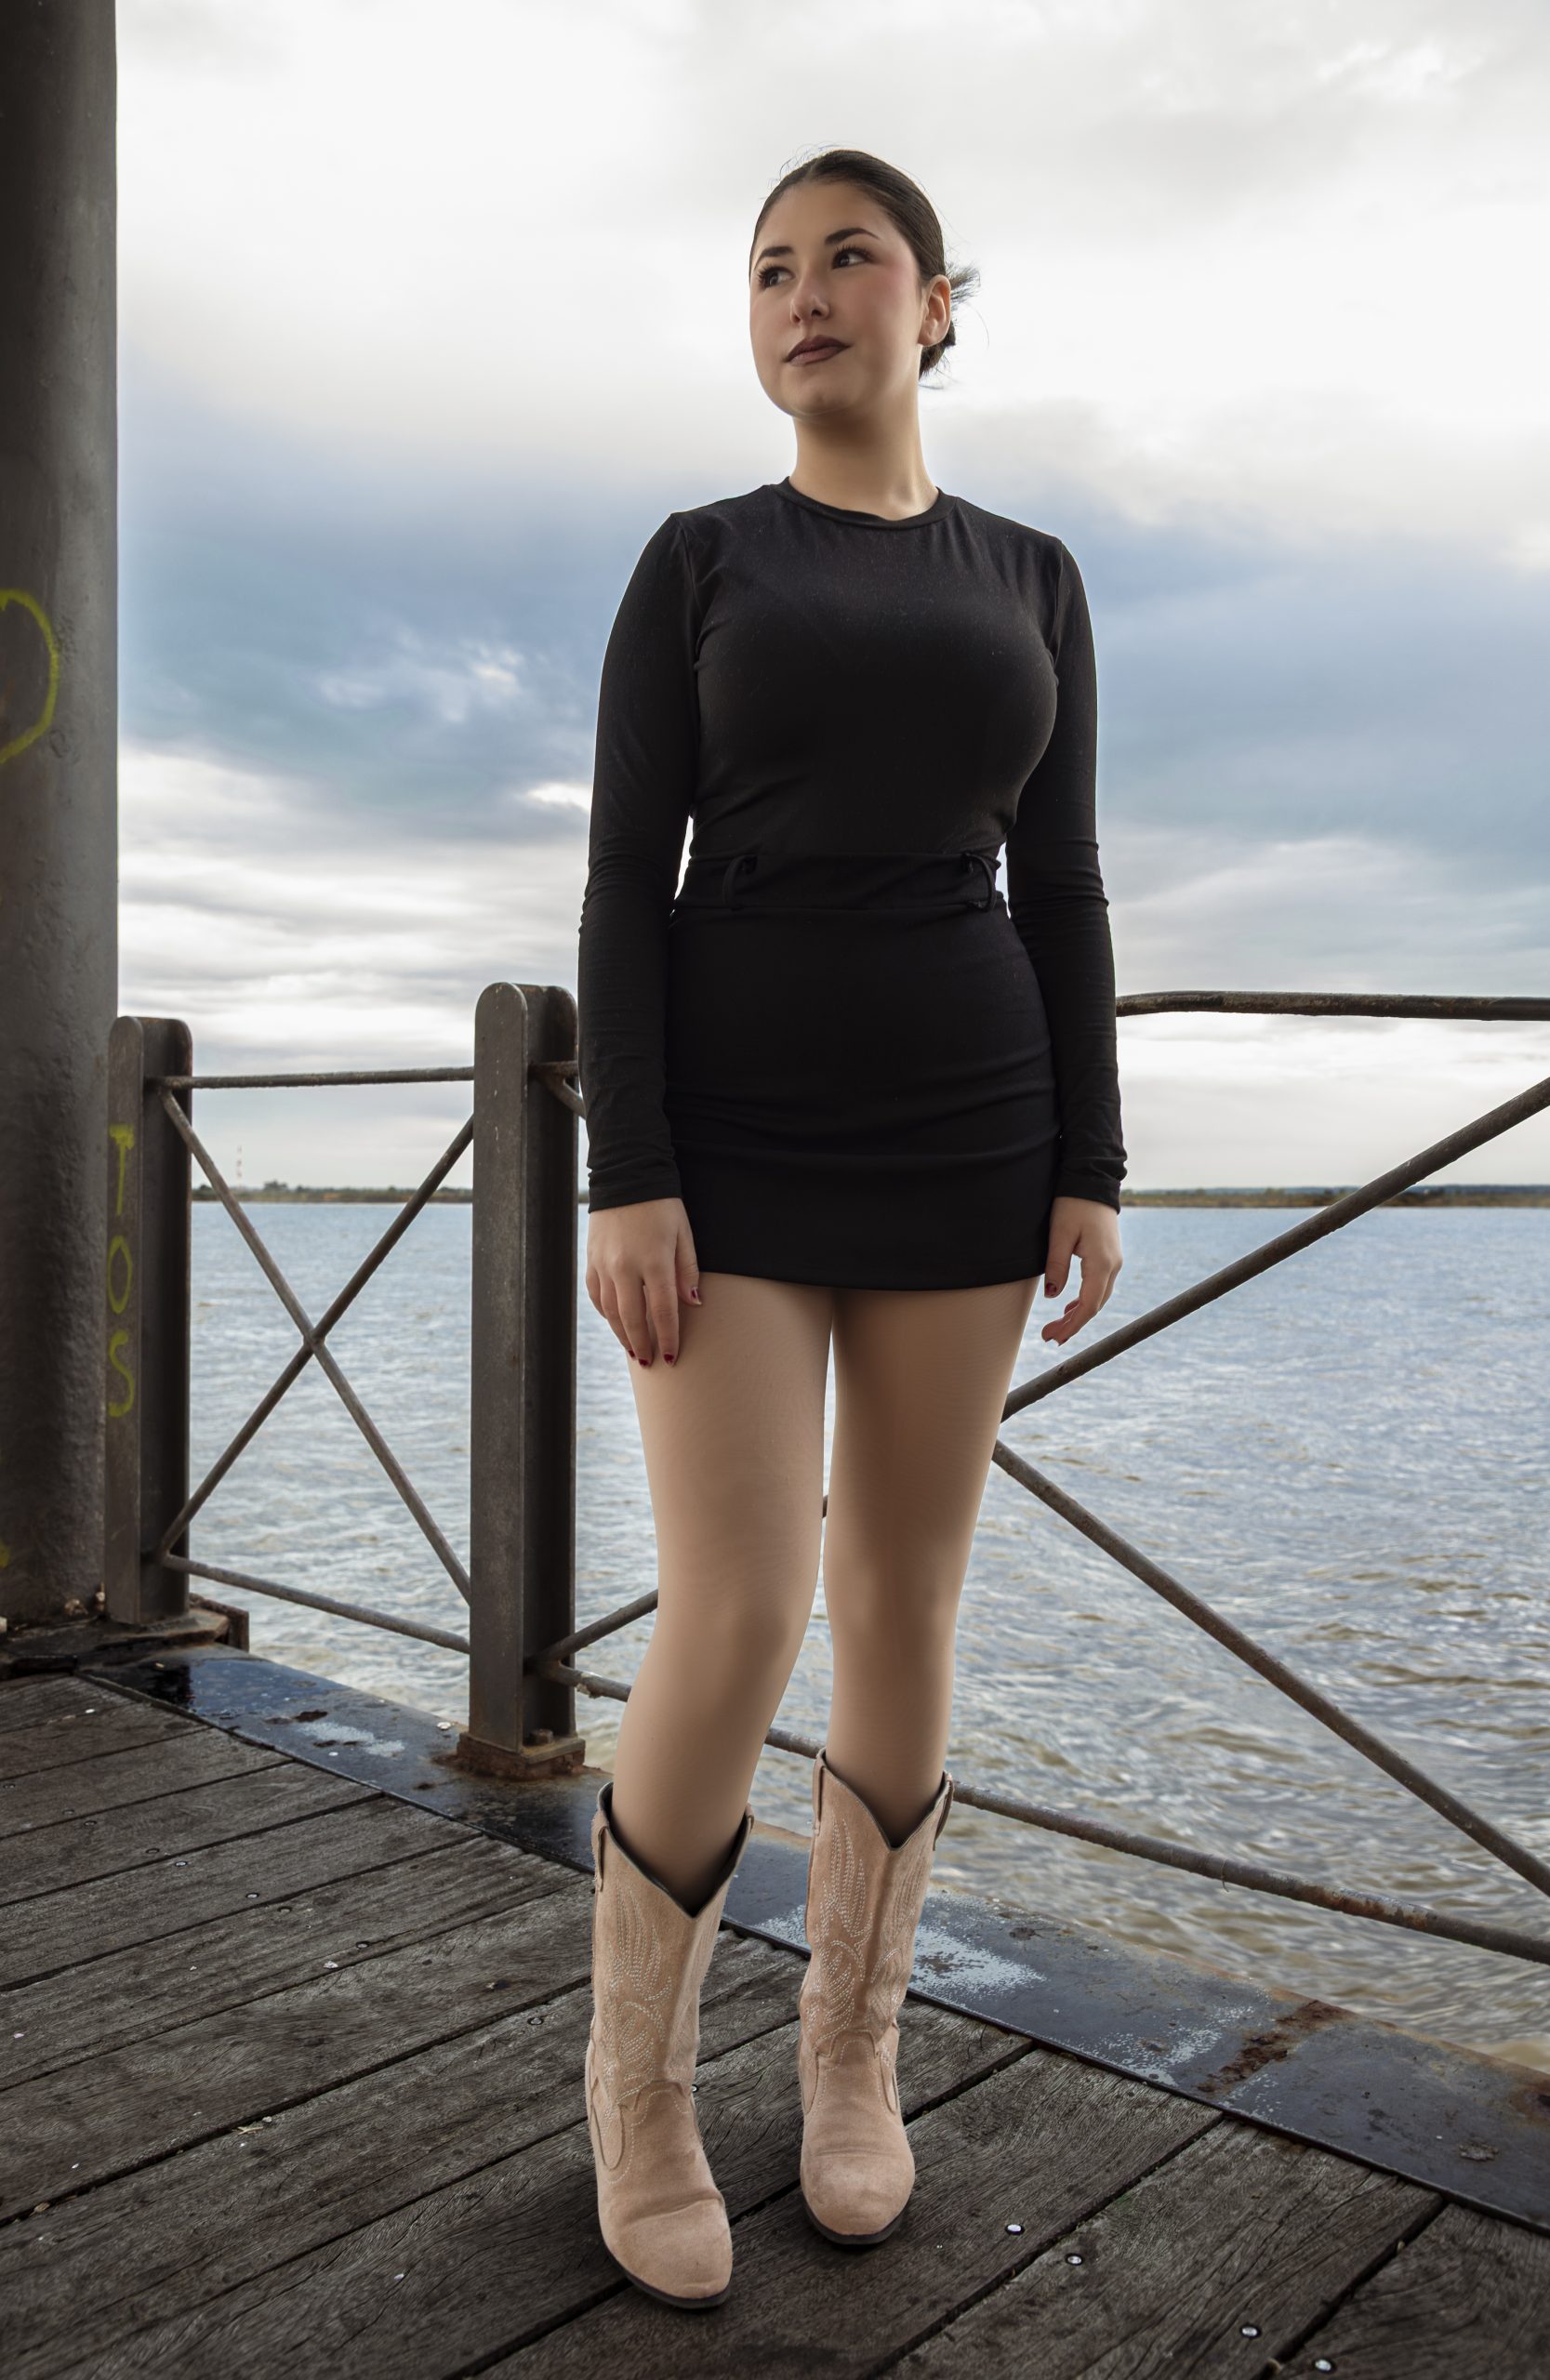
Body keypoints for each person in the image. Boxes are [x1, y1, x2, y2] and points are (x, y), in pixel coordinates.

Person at [575, 145, 1126, 2308]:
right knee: (739, 1604)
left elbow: (1061, 883)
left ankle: (849, 2058)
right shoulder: (699, 559)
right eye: (771, 269)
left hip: (972, 1128)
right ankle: (636, 2093)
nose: (805, 294)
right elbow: (624, 879)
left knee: (904, 1597)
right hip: (726, 1139)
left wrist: (1092, 1158)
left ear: (938, 302)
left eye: (850, 258)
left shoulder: (1036, 576)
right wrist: (629, 1164)